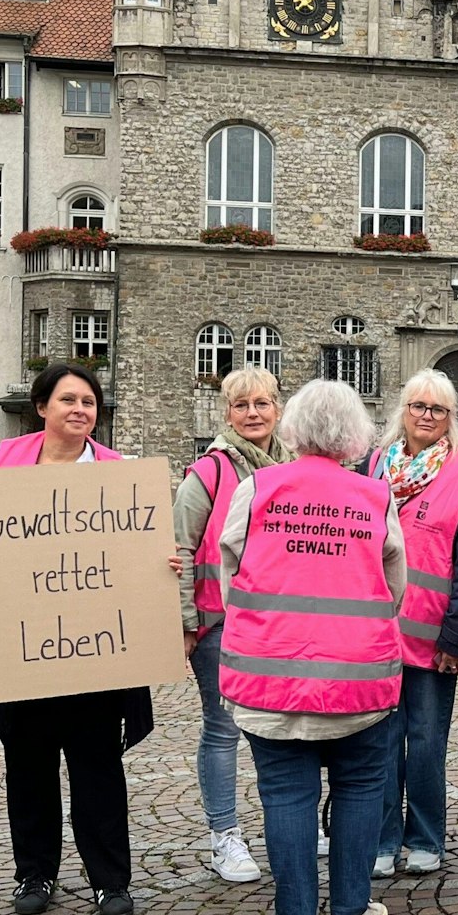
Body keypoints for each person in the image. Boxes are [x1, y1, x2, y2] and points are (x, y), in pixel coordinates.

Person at [0, 362, 171, 915]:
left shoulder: (119, 475)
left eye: (90, 402)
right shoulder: (3, 465)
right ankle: (35, 871)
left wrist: (162, 562)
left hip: (97, 654)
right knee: (27, 768)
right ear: (42, 407)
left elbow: (144, 547)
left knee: (96, 768)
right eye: (69, 400)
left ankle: (110, 880)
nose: (81, 410)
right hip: (25, 648)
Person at [214, 379, 405, 915]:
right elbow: (394, 583)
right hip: (358, 678)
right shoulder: (374, 496)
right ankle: (350, 910)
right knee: (361, 787)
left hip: (268, 672)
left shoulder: (258, 487)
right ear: (355, 437)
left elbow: (230, 570)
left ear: (292, 428)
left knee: (284, 793)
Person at [175, 365, 293, 884]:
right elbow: (178, 547)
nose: (252, 414)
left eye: (262, 403)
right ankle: (225, 835)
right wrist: (184, 621)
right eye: (242, 405)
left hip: (284, 620)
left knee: (288, 728)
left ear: (278, 408)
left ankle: (289, 823)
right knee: (223, 729)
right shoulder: (209, 473)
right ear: (227, 413)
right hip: (220, 621)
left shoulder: (293, 466)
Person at [368, 369, 458, 878]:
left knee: (425, 744)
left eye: (437, 410)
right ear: (404, 410)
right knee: (379, 744)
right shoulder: (375, 467)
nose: (426, 417)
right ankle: (381, 839)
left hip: (434, 637)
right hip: (376, 634)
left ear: (450, 420)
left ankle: (425, 837)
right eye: (418, 406)